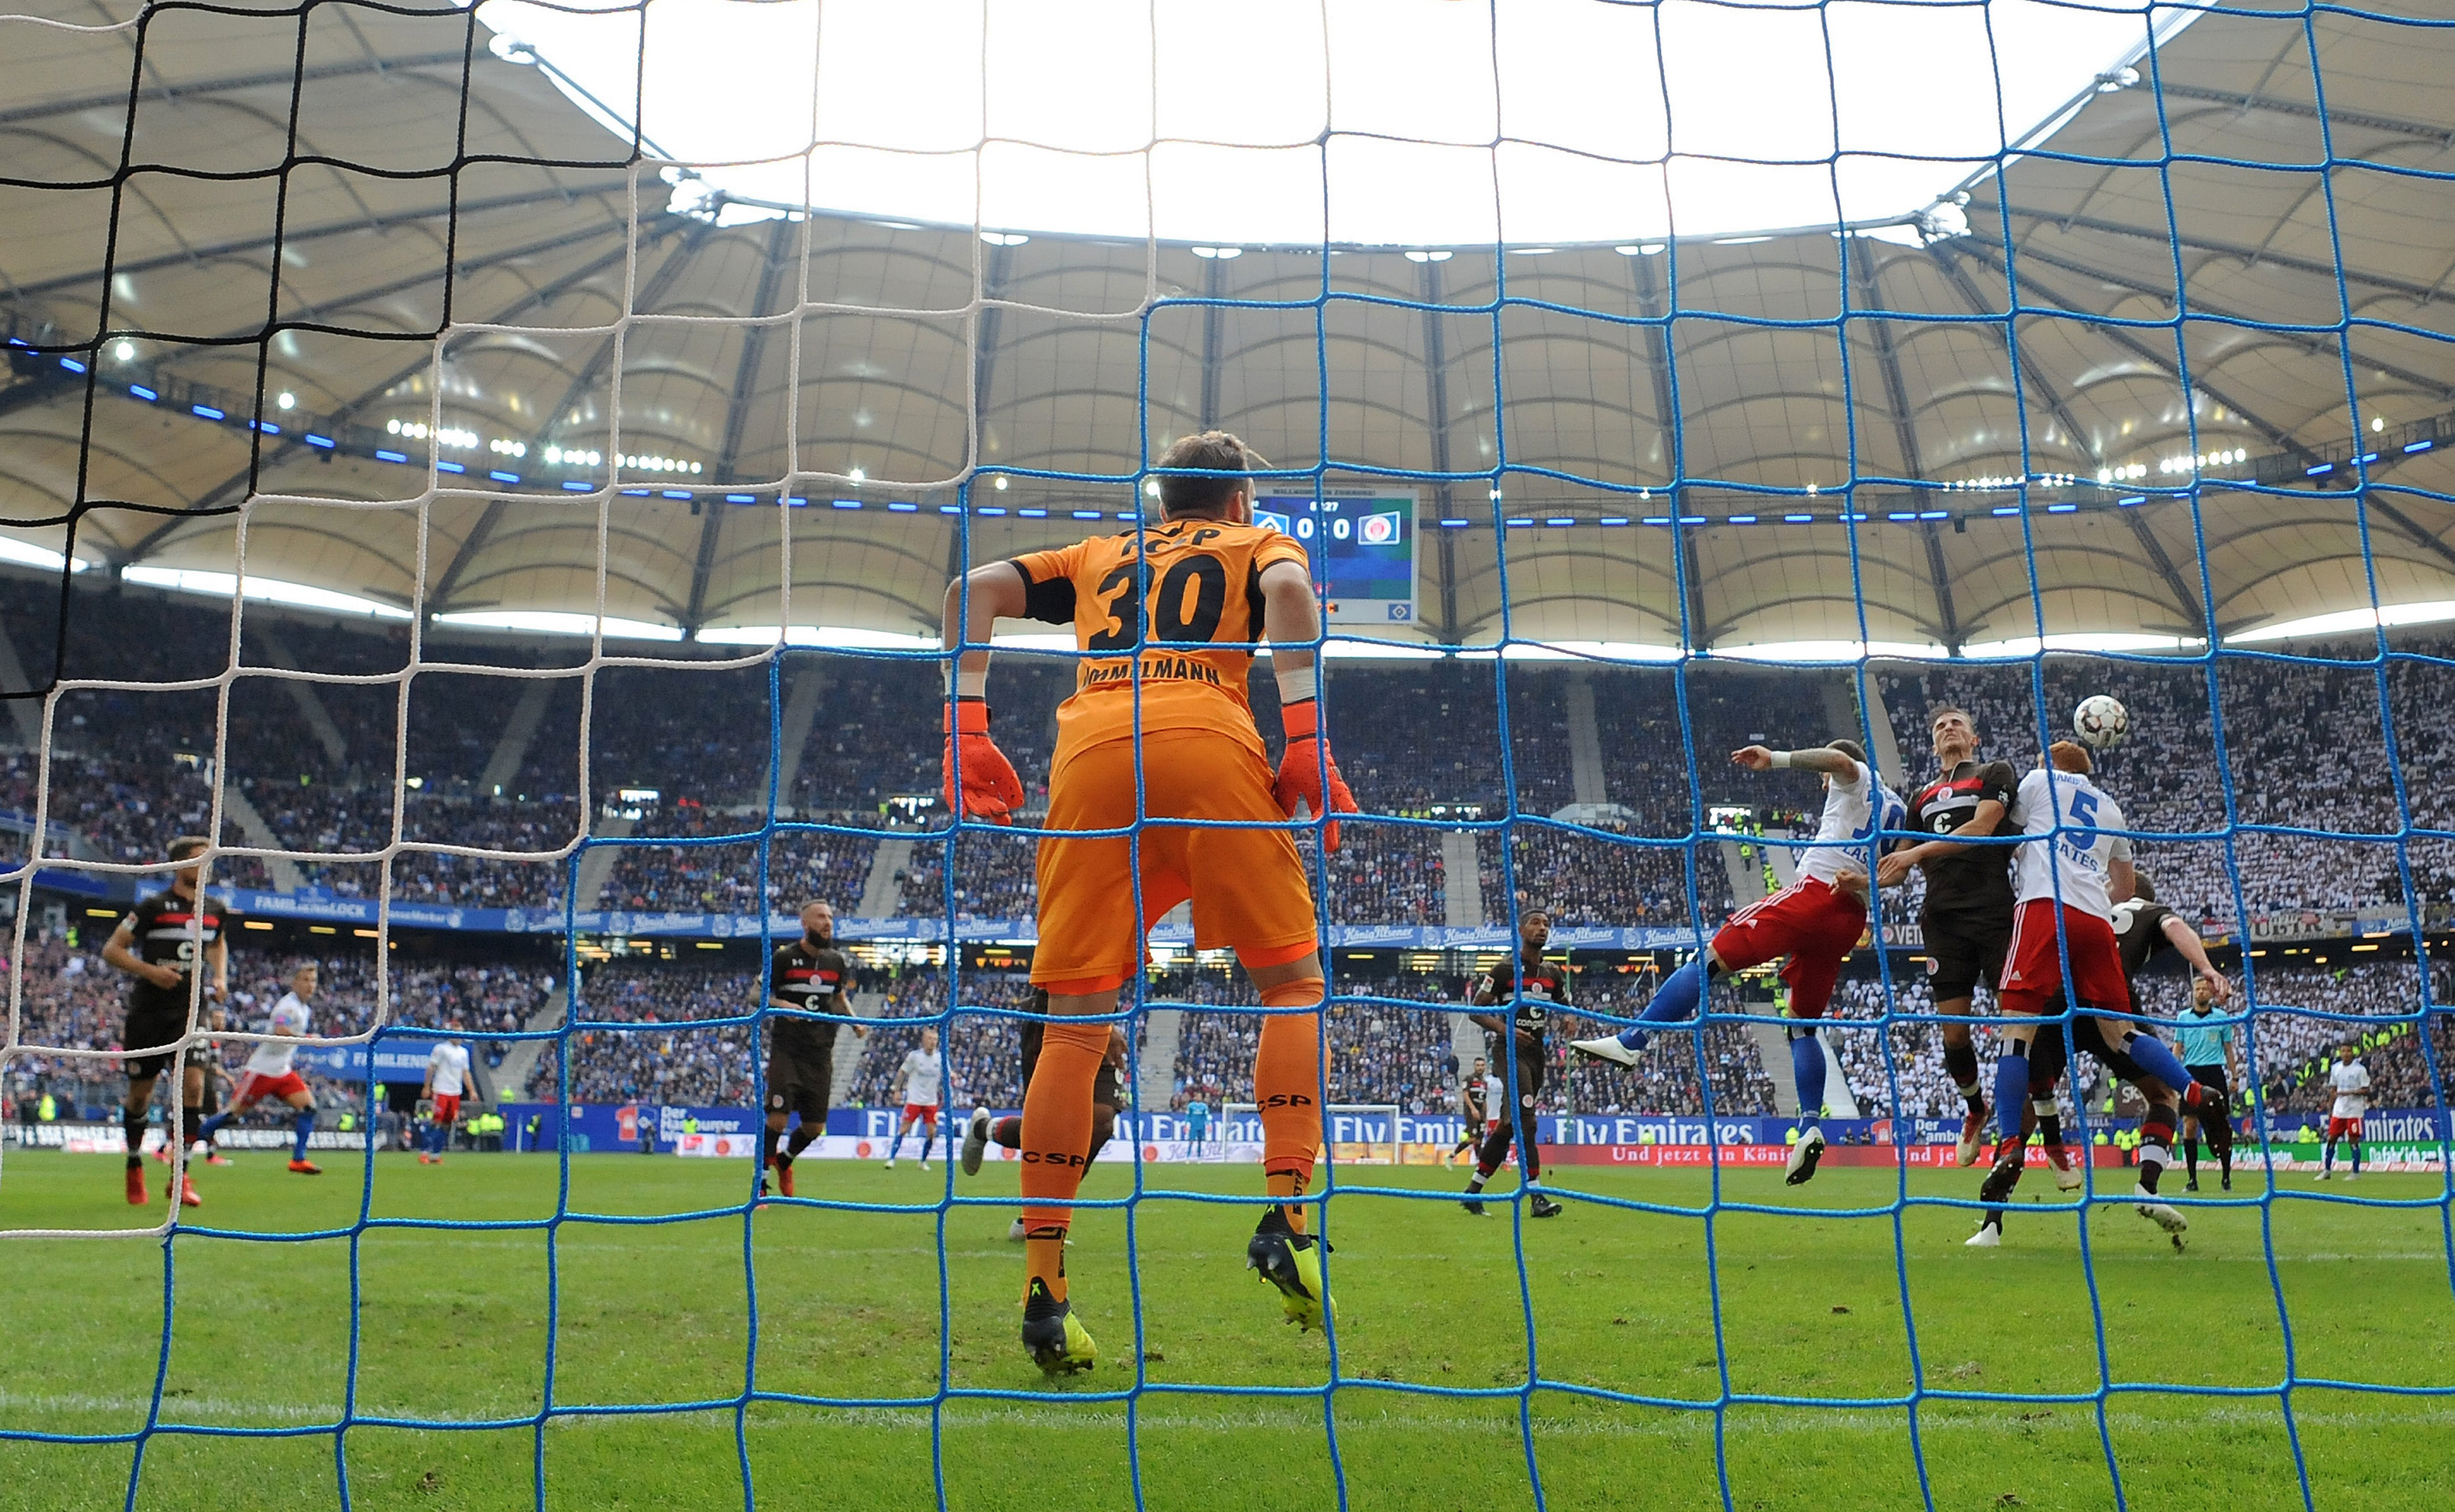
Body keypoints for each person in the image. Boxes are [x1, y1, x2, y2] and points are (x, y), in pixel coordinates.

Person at [940, 429, 1354, 1373]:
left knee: (1075, 1029)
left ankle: (1044, 1293)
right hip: (1208, 745)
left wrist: (966, 727)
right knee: (1290, 987)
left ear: (1162, 501)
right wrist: (1302, 739)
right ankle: (1287, 1220)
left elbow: (973, 592)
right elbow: (1290, 597)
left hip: (1090, 761)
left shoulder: (1098, 554)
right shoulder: (1259, 545)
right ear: (1240, 498)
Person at [1571, 740, 1898, 1187]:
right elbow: (1896, 872)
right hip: (1850, 916)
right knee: (1802, 1024)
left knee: (1707, 959)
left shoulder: (1852, 777)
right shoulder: (1896, 806)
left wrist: (1777, 760)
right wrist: (1860, 879)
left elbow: (1841, 761)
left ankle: (1634, 1039)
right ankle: (1809, 1125)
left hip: (1816, 894)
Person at [1970, 744, 2223, 1232]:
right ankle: (2190, 1092)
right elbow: (2131, 893)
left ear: (2049, 760)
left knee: (2014, 1041)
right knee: (2136, 1054)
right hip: (2093, 930)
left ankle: (1994, 1203)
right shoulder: (2110, 810)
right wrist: (2207, 968)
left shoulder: (2038, 780)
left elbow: (2000, 825)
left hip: (2048, 922)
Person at [1874, 704, 2014, 1168]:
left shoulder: (1994, 771)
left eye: (1956, 723)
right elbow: (1896, 864)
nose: (1948, 728)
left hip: (1995, 913)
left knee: (2017, 1024)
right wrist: (1861, 881)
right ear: (1932, 744)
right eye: (1939, 726)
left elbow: (1982, 827)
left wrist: (1918, 854)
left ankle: (2029, 1134)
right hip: (1942, 920)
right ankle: (1975, 1108)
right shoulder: (1922, 795)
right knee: (1954, 1035)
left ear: (1973, 738)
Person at [102, 836, 232, 1207]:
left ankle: (182, 1176)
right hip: (149, 1013)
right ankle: (133, 1163)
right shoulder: (152, 907)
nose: (206, 865)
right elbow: (112, 949)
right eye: (198, 859)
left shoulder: (216, 909)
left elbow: (218, 942)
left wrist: (220, 977)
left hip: (192, 1011)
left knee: (193, 1088)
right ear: (178, 866)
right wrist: (151, 972)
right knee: (140, 1094)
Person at [961, 994, 1133, 1240]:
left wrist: (1106, 1024)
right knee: (1049, 1131)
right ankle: (984, 1129)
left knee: (1101, 1122)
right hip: (1052, 1021)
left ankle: (1039, 1217)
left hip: (1101, 1025)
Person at [1460, 911, 1565, 1218]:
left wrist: (1570, 1018)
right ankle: (1536, 1196)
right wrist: (1506, 1029)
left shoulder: (1553, 974)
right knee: (1528, 1122)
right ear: (1521, 930)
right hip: (1509, 1052)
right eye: (1535, 923)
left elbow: (1565, 1004)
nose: (1542, 929)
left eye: (1546, 925)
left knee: (1509, 1125)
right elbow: (1476, 1011)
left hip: (1536, 1056)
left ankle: (1472, 1192)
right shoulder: (1505, 969)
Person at [761, 900, 863, 1199]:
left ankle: (785, 1161)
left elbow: (839, 997)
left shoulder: (836, 961)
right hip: (788, 1050)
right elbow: (757, 995)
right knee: (778, 1118)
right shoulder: (783, 958)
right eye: (821, 917)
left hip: (820, 1053)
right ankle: (761, 1186)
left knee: (814, 1127)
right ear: (805, 923)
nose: (828, 922)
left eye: (831, 917)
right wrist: (783, 1004)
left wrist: (855, 1022)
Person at [199, 963, 325, 1175]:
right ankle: (176, 1144)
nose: (310, 985)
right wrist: (307, 1039)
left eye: (313, 980)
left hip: (282, 1071)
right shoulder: (287, 1007)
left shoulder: (304, 1008)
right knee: (232, 1115)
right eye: (305, 980)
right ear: (294, 983)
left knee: (309, 1108)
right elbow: (280, 1030)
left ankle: (298, 1159)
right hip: (262, 1071)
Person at [885, 1026, 948, 1170]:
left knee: (932, 1132)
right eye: (930, 1039)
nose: (933, 1042)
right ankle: (891, 1158)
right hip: (914, 1099)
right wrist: (897, 1089)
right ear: (924, 1040)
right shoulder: (915, 1056)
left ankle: (923, 1161)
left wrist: (953, 1076)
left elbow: (947, 1073)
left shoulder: (941, 1057)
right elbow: (902, 1072)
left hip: (931, 1100)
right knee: (904, 1129)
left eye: (935, 1039)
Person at [419, 1032, 471, 1165]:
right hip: (441, 1090)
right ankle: (424, 1152)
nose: (459, 1037)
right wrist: (427, 1086)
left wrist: (472, 1090)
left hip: (455, 1092)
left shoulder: (463, 1052)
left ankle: (436, 1154)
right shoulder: (441, 1049)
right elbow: (431, 1067)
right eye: (457, 1034)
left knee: (446, 1125)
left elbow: (465, 1072)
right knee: (436, 1122)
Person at [2319, 1042, 2370, 1181]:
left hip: (2354, 1110)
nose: (2346, 1053)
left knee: (2353, 1140)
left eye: (2348, 1051)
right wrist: (2330, 1107)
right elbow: (2333, 1089)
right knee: (2331, 1139)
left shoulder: (2360, 1070)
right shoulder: (2336, 1069)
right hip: (2339, 1110)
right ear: (2340, 1053)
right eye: (2343, 1051)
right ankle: (2327, 1170)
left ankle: (2355, 1172)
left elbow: (2366, 1089)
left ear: (2352, 1053)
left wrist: (2350, 1092)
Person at [1449, 1056, 1490, 1167]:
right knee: (1472, 1138)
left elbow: (1484, 1100)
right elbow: (1465, 1095)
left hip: (1481, 1112)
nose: (1480, 1068)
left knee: (1479, 1140)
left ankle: (1478, 1163)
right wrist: (1473, 1109)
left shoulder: (1485, 1082)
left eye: (1482, 1065)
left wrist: (1485, 1116)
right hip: (1471, 1111)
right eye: (1478, 1065)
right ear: (1474, 1067)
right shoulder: (1469, 1079)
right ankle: (1451, 1156)